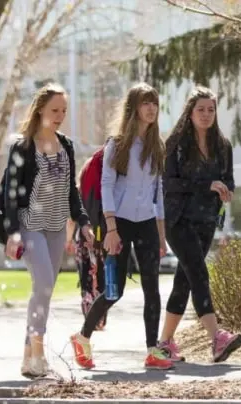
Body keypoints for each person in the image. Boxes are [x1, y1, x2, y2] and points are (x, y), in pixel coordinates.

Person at [70, 82, 173, 371]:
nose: (151, 108)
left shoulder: (157, 146)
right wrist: (111, 230)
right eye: (145, 103)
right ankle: (82, 337)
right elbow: (107, 186)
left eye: (154, 103)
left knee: (153, 288)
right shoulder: (117, 144)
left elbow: (158, 193)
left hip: (147, 224)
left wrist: (161, 236)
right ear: (134, 108)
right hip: (120, 224)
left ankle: (153, 349)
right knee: (114, 291)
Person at [2, 82, 93, 379]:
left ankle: (28, 355)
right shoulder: (22, 146)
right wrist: (12, 231)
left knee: (45, 290)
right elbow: (11, 193)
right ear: (40, 109)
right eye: (55, 110)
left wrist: (82, 221)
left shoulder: (66, 144)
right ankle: (39, 355)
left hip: (56, 226)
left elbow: (71, 189)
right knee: (42, 285)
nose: (59, 115)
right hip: (31, 226)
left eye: (63, 110)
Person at [157, 86, 241, 363]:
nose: (206, 115)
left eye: (211, 110)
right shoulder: (175, 144)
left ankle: (164, 344)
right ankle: (217, 338)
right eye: (200, 110)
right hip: (179, 219)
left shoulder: (223, 145)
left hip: (207, 221)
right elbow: (168, 183)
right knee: (199, 272)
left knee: (184, 282)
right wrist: (207, 184)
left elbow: (228, 179)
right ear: (190, 112)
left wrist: (225, 189)